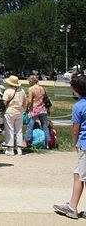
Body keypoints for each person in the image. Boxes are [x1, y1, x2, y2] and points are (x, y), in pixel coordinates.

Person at [53, 75, 86, 219]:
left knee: (82, 175)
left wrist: (75, 143)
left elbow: (75, 129)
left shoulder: (79, 106)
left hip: (84, 144)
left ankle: (72, 208)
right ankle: (72, 205)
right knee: (78, 174)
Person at [2, 75, 26, 156]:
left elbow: (4, 103)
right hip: (19, 111)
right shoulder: (22, 91)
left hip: (10, 111)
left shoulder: (7, 91)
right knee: (19, 130)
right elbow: (24, 102)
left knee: (9, 129)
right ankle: (19, 149)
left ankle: (11, 149)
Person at [25, 75, 51, 148]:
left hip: (34, 109)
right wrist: (48, 109)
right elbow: (47, 100)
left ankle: (26, 141)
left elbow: (30, 100)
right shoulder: (43, 89)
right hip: (43, 109)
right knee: (45, 126)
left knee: (30, 126)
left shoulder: (31, 89)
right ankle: (47, 143)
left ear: (31, 81)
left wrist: (27, 108)